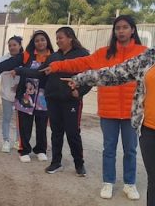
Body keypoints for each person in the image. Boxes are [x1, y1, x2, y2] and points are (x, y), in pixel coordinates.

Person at [44, 15, 146, 200]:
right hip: (109, 110)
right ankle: (108, 182)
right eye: (117, 28)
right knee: (109, 149)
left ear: (133, 30)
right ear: (114, 32)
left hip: (133, 111)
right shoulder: (103, 53)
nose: (121, 31)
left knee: (130, 149)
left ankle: (129, 184)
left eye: (125, 27)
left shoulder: (143, 53)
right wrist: (57, 65)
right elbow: (80, 63)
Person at [62, 47, 155, 206]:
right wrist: (81, 78)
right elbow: (115, 73)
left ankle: (129, 183)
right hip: (150, 131)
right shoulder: (149, 57)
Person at [16, 27, 91, 176]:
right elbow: (39, 73)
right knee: (56, 132)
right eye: (56, 38)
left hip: (71, 101)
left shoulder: (82, 55)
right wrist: (19, 70)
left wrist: (80, 92)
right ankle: (56, 162)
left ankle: (79, 164)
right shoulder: (54, 57)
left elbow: (90, 77)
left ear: (70, 38)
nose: (57, 41)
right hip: (53, 100)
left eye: (60, 38)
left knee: (72, 133)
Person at [0, 30, 54, 163]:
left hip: (43, 97)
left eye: (42, 40)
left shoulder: (53, 57)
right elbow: (5, 64)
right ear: (33, 43)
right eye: (37, 40)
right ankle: (24, 150)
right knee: (25, 124)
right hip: (27, 95)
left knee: (41, 124)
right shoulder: (27, 56)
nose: (40, 43)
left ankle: (41, 150)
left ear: (47, 41)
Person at [0, 35, 23, 153]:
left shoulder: (25, 59)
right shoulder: (3, 60)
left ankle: (19, 141)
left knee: (20, 119)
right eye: (10, 45)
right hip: (6, 93)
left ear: (20, 46)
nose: (12, 47)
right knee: (6, 118)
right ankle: (6, 141)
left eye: (14, 45)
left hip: (21, 94)